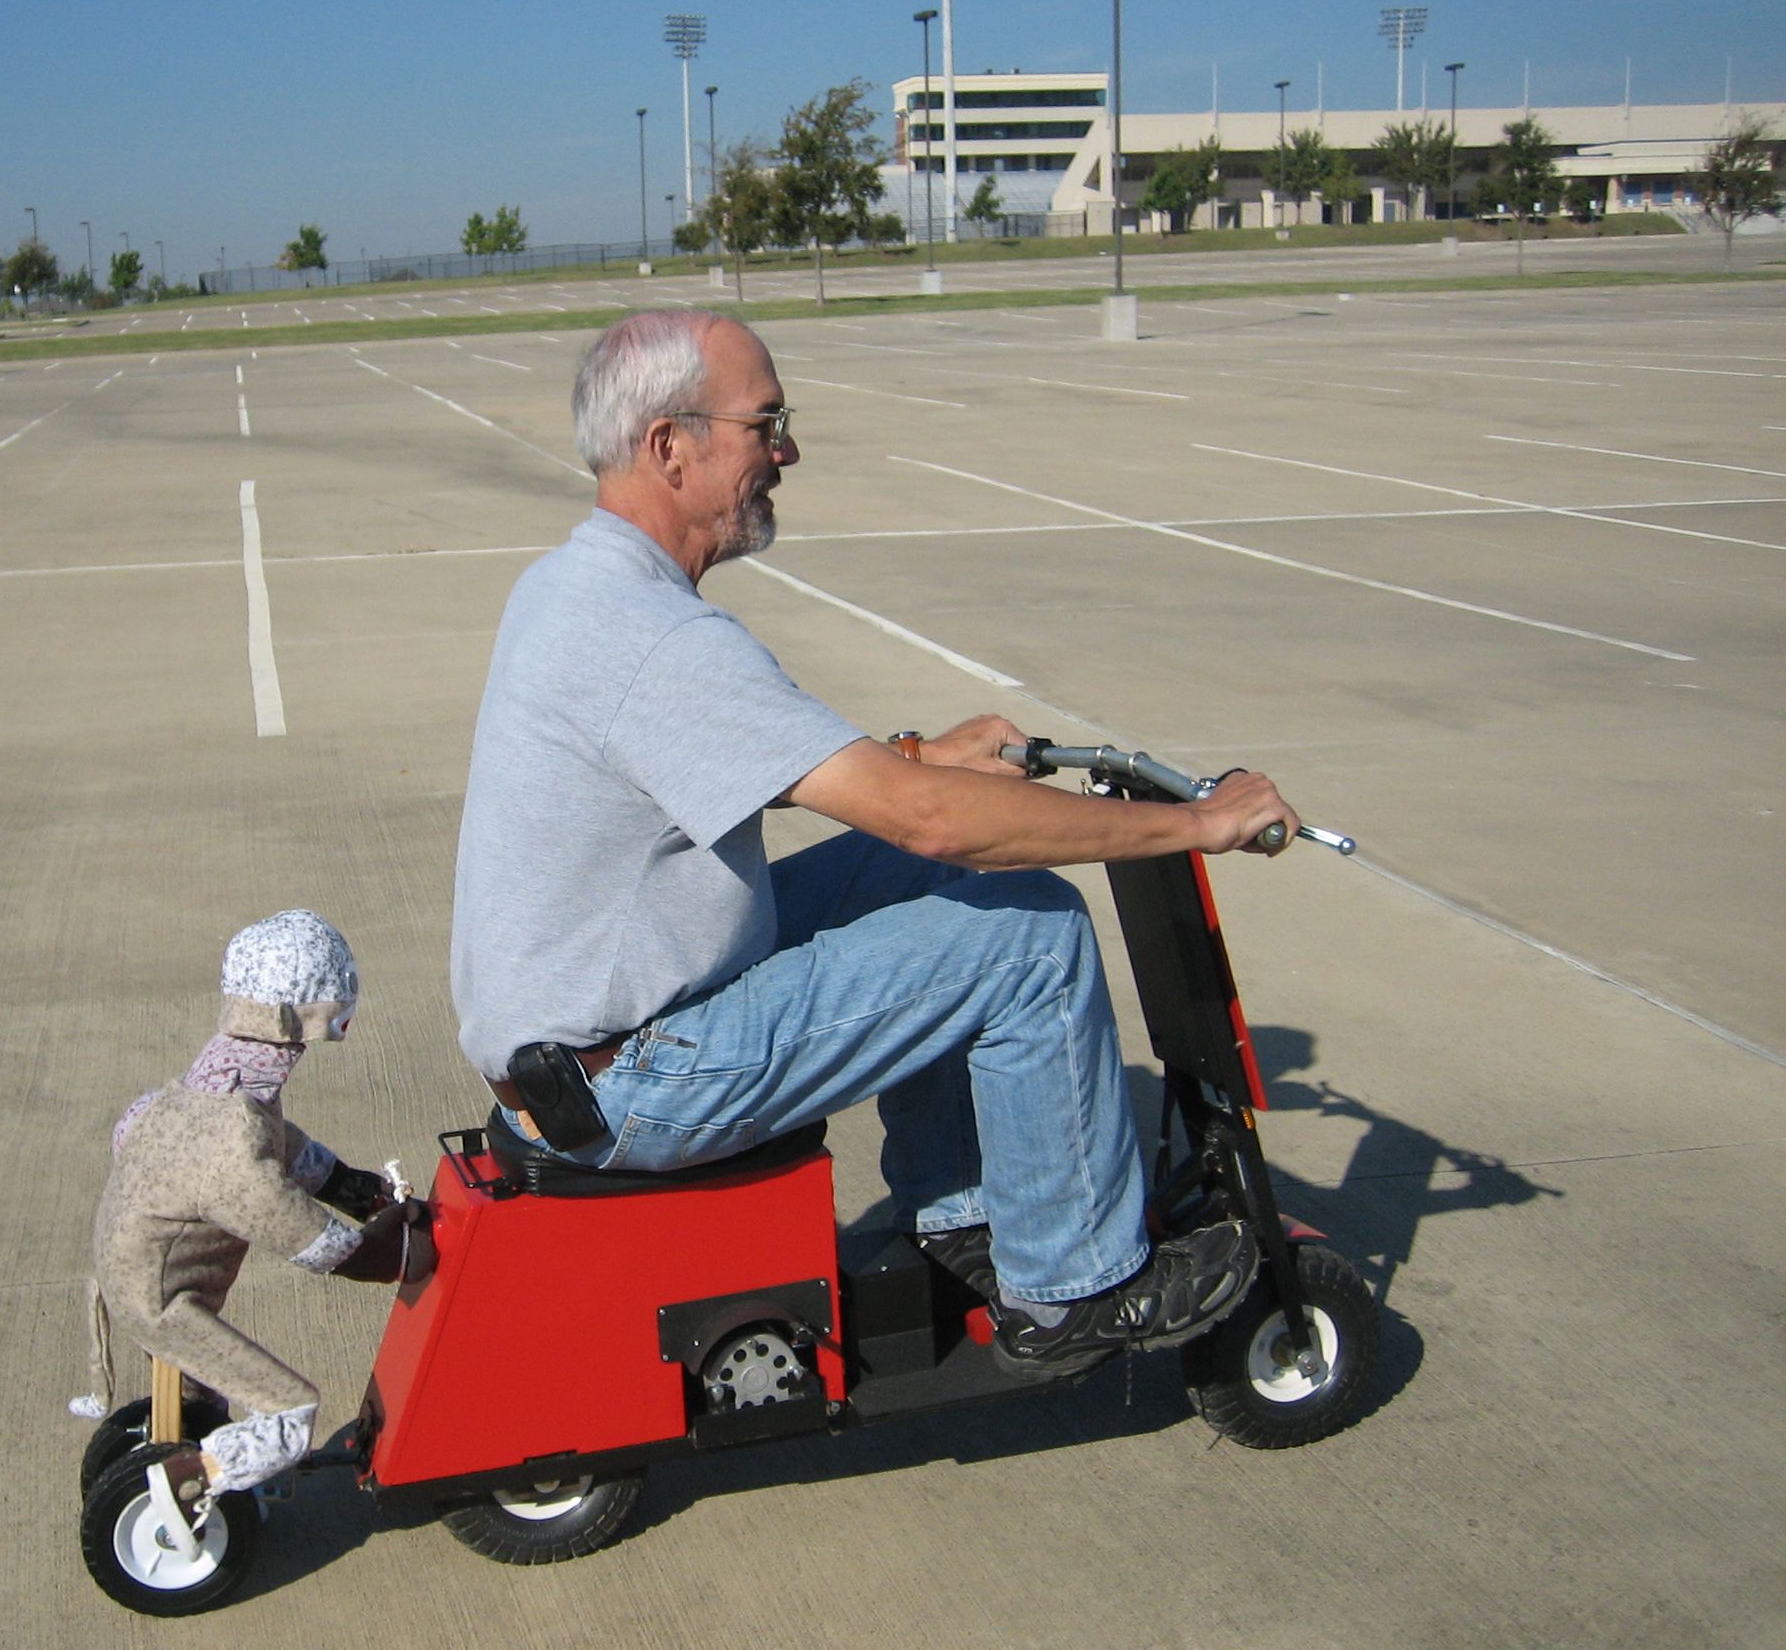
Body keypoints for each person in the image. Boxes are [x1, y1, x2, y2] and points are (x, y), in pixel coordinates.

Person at [450, 308, 1303, 1372]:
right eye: (768, 423)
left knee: (920, 874)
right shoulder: (656, 636)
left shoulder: (578, 585)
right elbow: (934, 819)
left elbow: (731, 766)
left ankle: (961, 1211)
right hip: (630, 1076)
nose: (787, 452)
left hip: (591, 1033)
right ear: (672, 446)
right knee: (1029, 936)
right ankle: (1076, 1285)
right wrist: (1197, 822)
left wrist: (914, 755)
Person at [74, 909, 428, 1516]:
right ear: (311, 1019)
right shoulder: (232, 1154)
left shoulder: (193, 1095)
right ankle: (183, 1483)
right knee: (290, 1411)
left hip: (124, 1273)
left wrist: (352, 1187)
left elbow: (279, 1144)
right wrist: (401, 1244)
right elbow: (325, 1248)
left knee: (212, 1389)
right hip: (159, 1303)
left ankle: (193, 1436)